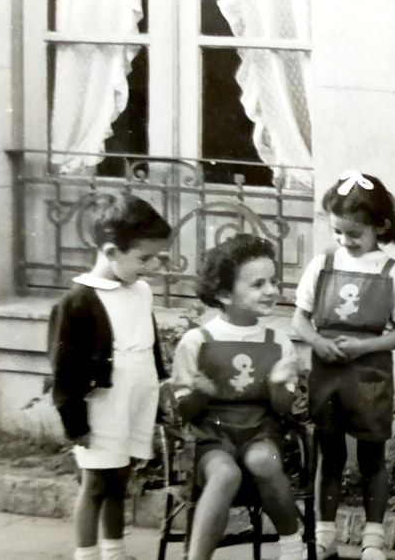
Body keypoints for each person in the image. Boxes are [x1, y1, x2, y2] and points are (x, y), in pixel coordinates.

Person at [292, 169, 395, 560]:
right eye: (339, 233)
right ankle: (325, 534)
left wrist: (364, 348)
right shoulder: (322, 265)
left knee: (371, 457)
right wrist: (317, 341)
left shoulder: (394, 273)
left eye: (355, 234)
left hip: (369, 375)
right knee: (330, 454)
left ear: (380, 226)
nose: (346, 241)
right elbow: (300, 318)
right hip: (327, 371)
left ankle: (373, 539)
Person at [48, 193, 172, 560]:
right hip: (102, 406)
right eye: (144, 259)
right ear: (111, 251)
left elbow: (149, 345)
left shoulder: (141, 291)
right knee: (97, 481)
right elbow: (65, 372)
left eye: (156, 258)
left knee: (122, 476)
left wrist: (161, 389)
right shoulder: (78, 302)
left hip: (137, 399)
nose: (151, 267)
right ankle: (86, 555)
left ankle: (114, 552)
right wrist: (75, 423)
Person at [170, 234, 304, 560]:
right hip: (211, 437)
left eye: (273, 281)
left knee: (263, 460)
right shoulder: (196, 341)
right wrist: (200, 395)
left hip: (260, 431)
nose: (271, 290)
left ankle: (292, 543)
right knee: (224, 473)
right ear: (224, 294)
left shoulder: (279, 342)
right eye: (258, 284)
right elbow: (182, 412)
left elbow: (287, 411)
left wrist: (276, 385)